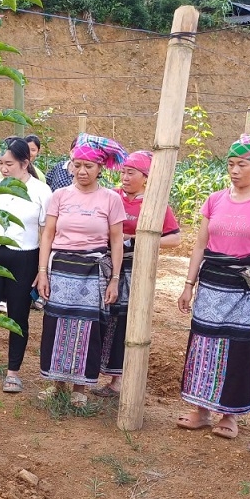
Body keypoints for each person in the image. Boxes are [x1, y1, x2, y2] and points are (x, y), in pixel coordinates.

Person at [177, 134, 250, 439]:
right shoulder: (215, 200)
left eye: (242, 164)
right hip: (211, 285)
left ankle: (229, 414)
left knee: (237, 347)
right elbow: (200, 245)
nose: (235, 170)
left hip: (245, 291)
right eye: (231, 164)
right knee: (203, 344)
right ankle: (201, 410)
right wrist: (189, 284)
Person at [35, 134, 126, 407]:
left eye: (88, 166)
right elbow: (48, 234)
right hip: (62, 268)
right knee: (57, 324)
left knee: (88, 327)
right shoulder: (60, 196)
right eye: (77, 165)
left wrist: (115, 279)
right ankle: (57, 382)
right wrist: (43, 271)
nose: (82, 171)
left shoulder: (111, 199)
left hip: (92, 270)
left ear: (100, 168)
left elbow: (117, 241)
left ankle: (81, 388)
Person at [96, 150, 181, 396]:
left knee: (126, 320)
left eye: (130, 173)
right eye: (123, 171)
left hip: (136, 269)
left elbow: (175, 238)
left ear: (145, 177)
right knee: (106, 316)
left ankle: (119, 379)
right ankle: (98, 370)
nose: (124, 177)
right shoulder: (112, 196)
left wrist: (138, 239)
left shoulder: (155, 204)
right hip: (108, 265)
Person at [0, 138, 52, 393]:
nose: (3, 168)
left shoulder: (41, 191)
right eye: (1, 163)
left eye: (9, 164)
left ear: (25, 163)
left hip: (24, 259)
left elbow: (44, 232)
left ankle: (13, 371)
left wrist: (42, 271)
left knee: (18, 316)